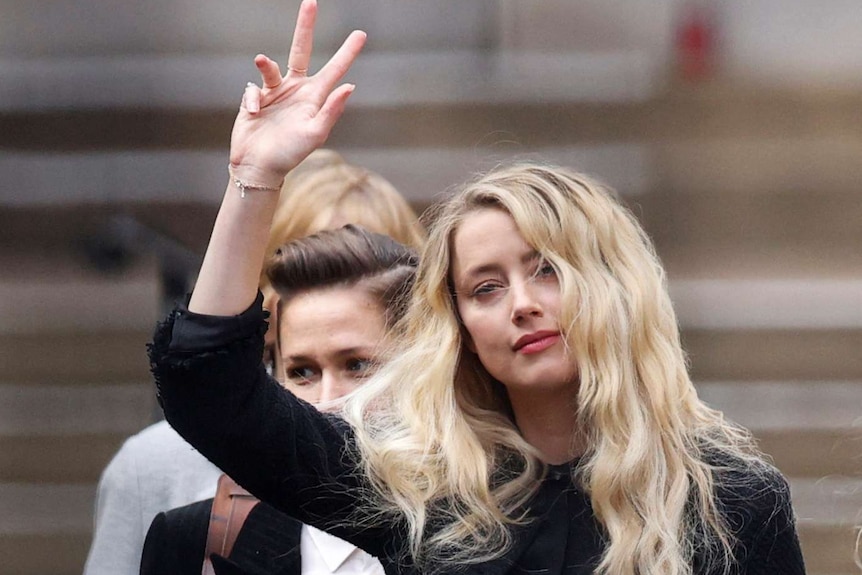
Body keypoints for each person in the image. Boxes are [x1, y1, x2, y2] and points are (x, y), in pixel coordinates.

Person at [149, 1, 806, 573]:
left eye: (547, 267)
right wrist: (255, 177)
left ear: (615, 285)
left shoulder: (734, 501)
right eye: (485, 288)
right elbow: (209, 387)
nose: (522, 302)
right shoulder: (414, 491)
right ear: (458, 324)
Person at [84, 149, 423, 575]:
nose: (328, 400)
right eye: (303, 260)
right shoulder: (158, 469)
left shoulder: (476, 497)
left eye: (379, 259)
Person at [140, 225, 417, 575]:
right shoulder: (193, 542)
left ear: (422, 368)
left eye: (357, 366)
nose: (327, 401)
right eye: (302, 372)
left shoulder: (478, 542)